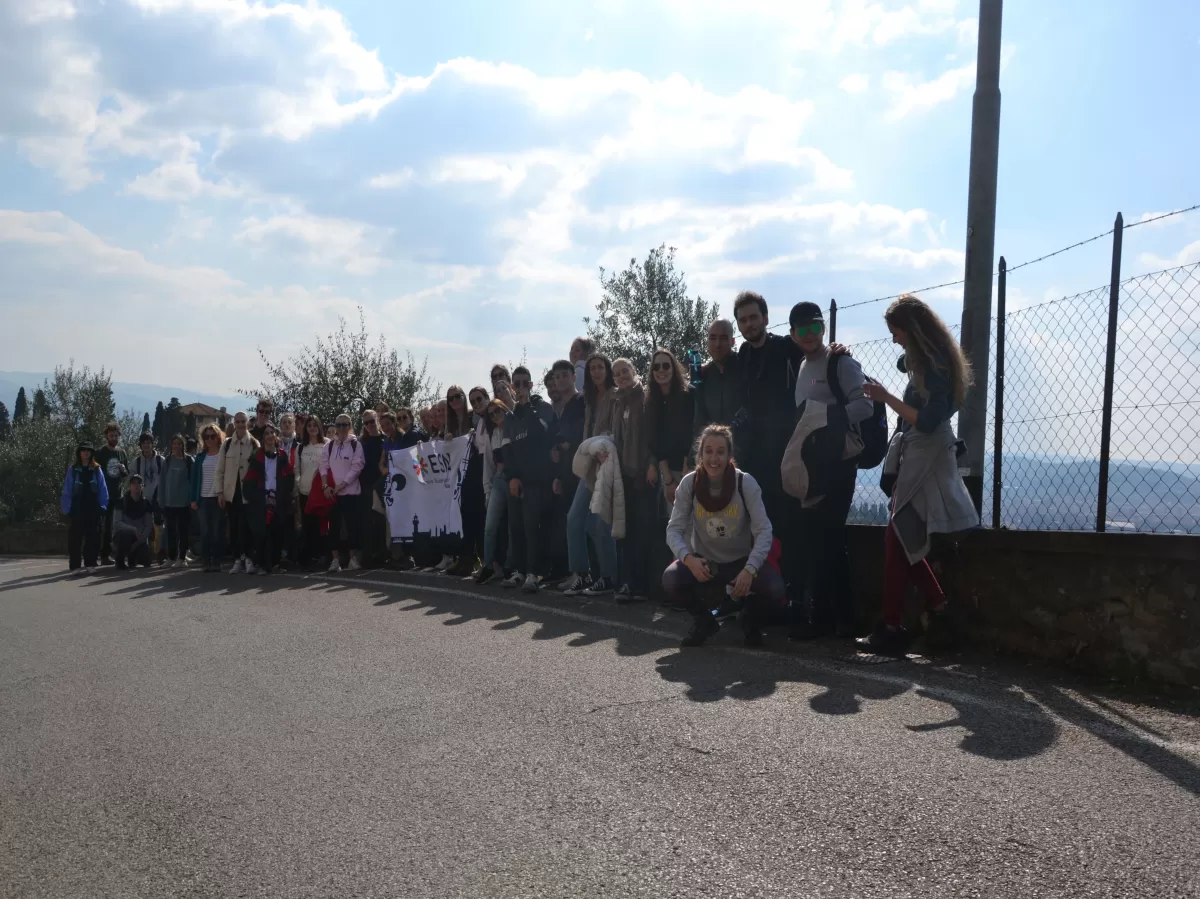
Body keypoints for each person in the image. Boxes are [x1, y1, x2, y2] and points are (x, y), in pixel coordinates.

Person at [857, 295, 978, 655]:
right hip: (922, 457)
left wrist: (886, 397)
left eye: (896, 332)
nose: (893, 339)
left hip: (925, 457)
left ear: (910, 331)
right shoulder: (930, 360)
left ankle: (894, 625)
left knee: (898, 538)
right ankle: (938, 609)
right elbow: (903, 362)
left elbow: (927, 420)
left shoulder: (935, 367)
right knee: (903, 538)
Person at [787, 301, 873, 639]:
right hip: (814, 466)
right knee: (821, 540)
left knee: (829, 539)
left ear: (824, 328)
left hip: (838, 464)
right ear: (793, 334)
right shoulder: (801, 366)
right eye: (802, 329)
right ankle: (833, 618)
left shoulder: (841, 362)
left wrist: (828, 420)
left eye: (815, 327)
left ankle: (836, 619)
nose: (810, 335)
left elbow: (865, 406)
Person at [663, 425, 785, 648]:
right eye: (708, 451)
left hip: (741, 562)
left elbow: (764, 530)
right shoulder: (689, 484)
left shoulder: (744, 483)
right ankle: (704, 622)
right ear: (700, 455)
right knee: (671, 579)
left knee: (775, 589)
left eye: (720, 452)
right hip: (706, 563)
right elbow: (673, 529)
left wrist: (750, 569)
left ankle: (749, 618)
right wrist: (688, 559)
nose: (714, 458)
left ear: (730, 455)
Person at [732, 291, 802, 527]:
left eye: (753, 317)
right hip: (754, 457)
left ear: (765, 318)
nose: (749, 324)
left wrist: (835, 349)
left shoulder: (787, 347)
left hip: (785, 454)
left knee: (785, 525)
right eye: (743, 320)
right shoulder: (744, 354)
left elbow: (817, 355)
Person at [560, 353, 620, 596]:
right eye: (592, 368)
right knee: (575, 519)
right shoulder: (587, 400)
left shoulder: (616, 397)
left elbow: (618, 431)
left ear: (607, 370)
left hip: (608, 465)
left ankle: (609, 577)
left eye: (600, 367)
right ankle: (582, 574)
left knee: (599, 524)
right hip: (589, 468)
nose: (596, 372)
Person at [500, 366, 554, 593]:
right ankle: (518, 571)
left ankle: (533, 573)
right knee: (516, 527)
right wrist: (512, 477)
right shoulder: (510, 418)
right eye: (517, 384)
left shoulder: (542, 408)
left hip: (536, 480)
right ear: (512, 386)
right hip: (516, 481)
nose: (521, 388)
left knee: (532, 527)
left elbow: (542, 434)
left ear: (531, 386)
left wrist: (526, 406)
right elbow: (507, 450)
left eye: (525, 383)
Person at [610, 357, 647, 602]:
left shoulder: (644, 398)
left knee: (641, 531)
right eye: (618, 374)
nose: (622, 376)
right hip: (623, 474)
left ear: (634, 372)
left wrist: (646, 469)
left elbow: (649, 436)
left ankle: (639, 585)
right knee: (625, 531)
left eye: (626, 371)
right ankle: (626, 583)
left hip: (641, 474)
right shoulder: (618, 402)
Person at [547, 359, 585, 585]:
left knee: (578, 522)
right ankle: (576, 573)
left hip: (582, 471)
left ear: (573, 377)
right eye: (556, 376)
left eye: (564, 375)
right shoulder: (560, 408)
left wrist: (567, 444)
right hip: (565, 473)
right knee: (570, 522)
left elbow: (583, 433)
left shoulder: (582, 401)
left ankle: (582, 573)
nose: (560, 380)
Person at [243, 423, 296, 575]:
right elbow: (249, 480)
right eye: (266, 433)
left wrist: (283, 493)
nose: (270, 436)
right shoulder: (257, 456)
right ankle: (261, 564)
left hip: (277, 500)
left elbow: (289, 477)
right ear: (263, 437)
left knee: (277, 532)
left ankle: (275, 563)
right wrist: (256, 497)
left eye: (272, 433)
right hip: (261, 500)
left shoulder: (282, 456)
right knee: (261, 533)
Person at [214, 411, 261, 574]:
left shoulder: (254, 444)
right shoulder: (226, 444)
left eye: (243, 421)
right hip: (231, 492)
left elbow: (260, 470)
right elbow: (219, 470)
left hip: (248, 493)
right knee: (233, 528)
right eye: (238, 421)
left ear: (247, 423)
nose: (241, 424)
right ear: (234, 423)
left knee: (247, 528)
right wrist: (219, 492)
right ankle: (237, 559)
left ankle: (249, 559)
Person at [320, 413, 366, 572]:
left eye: (345, 424)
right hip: (332, 494)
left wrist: (342, 484)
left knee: (353, 526)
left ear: (350, 426)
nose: (342, 428)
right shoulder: (329, 446)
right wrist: (326, 486)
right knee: (333, 527)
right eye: (338, 425)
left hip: (351, 492)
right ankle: (335, 560)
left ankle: (353, 559)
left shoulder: (356, 445)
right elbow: (323, 466)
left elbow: (357, 466)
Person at [61, 443, 109, 574]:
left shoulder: (96, 469)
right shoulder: (73, 469)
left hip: (93, 507)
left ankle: (90, 563)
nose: (86, 452)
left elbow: (102, 488)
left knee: (93, 537)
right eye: (83, 450)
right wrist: (67, 509)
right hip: (77, 508)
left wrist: (102, 506)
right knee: (75, 538)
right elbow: (67, 489)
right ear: (79, 453)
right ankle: (75, 566)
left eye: (88, 450)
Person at [477, 398, 511, 584]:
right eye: (491, 414)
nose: (496, 416)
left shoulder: (514, 429)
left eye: (498, 411)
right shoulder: (493, 434)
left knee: (514, 527)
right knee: (490, 527)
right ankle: (488, 565)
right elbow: (488, 465)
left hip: (516, 480)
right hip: (498, 481)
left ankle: (512, 566)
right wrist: (487, 491)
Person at [693, 318, 741, 433]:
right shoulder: (703, 376)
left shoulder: (746, 369)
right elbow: (699, 421)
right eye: (713, 338)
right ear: (707, 341)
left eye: (723, 338)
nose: (717, 344)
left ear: (733, 341)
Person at [190, 424, 226, 572]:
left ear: (218, 437)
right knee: (205, 531)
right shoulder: (199, 457)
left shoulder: (223, 455)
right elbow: (194, 479)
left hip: (218, 497)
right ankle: (206, 561)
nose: (210, 439)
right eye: (206, 437)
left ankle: (217, 561)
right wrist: (193, 499)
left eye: (212, 436)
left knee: (217, 531)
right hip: (203, 498)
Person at [295, 415, 329, 568]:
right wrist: (298, 482)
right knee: (308, 526)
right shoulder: (301, 447)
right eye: (309, 425)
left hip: (322, 492)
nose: (312, 428)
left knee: (321, 525)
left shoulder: (327, 444)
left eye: (315, 425)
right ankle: (309, 559)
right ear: (306, 428)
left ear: (319, 427)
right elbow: (296, 469)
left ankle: (322, 557)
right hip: (305, 492)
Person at [94, 421, 128, 565]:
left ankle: (108, 555)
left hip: (117, 495)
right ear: (106, 436)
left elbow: (126, 473)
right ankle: (96, 555)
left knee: (113, 526)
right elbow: (94, 473)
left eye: (116, 435)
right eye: (111, 435)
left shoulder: (122, 453)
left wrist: (123, 470)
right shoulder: (101, 452)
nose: (114, 438)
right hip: (103, 495)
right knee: (100, 526)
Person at [159, 434, 194, 569]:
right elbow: (162, 480)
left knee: (183, 531)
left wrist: (191, 499)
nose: (176, 446)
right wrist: (161, 498)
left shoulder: (189, 460)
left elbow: (192, 480)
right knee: (170, 531)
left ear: (183, 445)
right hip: (169, 502)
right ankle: (171, 557)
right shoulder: (167, 461)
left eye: (179, 444)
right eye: (174, 444)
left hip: (184, 503)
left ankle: (182, 557)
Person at [358, 409, 387, 568]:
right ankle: (369, 557)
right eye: (366, 422)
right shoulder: (361, 442)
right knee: (368, 523)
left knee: (382, 521)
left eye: (372, 421)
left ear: (377, 420)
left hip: (382, 484)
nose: (369, 425)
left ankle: (383, 555)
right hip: (366, 486)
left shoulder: (385, 439)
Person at [130, 432, 165, 559]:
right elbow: (131, 481)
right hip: (142, 499)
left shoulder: (161, 460)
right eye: (144, 443)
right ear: (140, 445)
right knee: (142, 527)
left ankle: (159, 553)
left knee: (159, 527)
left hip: (158, 499)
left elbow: (166, 479)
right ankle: (143, 554)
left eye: (148, 442)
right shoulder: (136, 462)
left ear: (152, 444)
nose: (146, 445)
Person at [112, 474, 154, 570]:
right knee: (125, 537)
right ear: (129, 486)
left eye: (139, 483)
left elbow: (148, 526)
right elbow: (117, 524)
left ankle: (133, 558)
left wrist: (137, 543)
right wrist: (133, 529)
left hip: (139, 539)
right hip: (123, 536)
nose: (136, 486)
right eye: (133, 483)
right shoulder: (121, 502)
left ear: (142, 486)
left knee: (146, 560)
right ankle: (120, 560)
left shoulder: (146, 504)